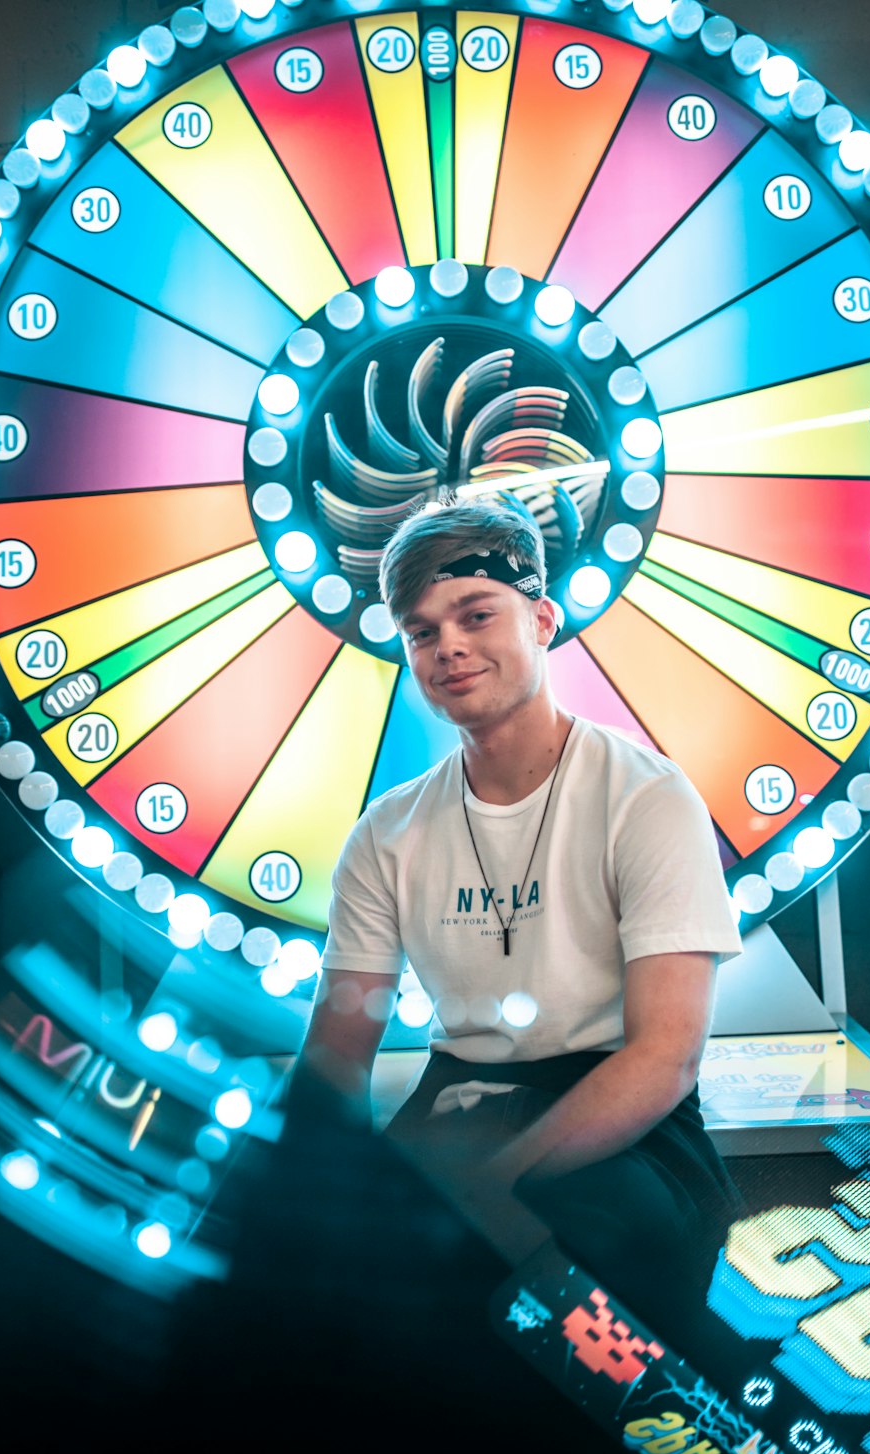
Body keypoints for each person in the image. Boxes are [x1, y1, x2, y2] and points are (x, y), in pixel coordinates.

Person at [299, 498, 743, 1329]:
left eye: (475, 615)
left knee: (582, 1245)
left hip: (623, 1117)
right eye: (422, 631)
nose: (449, 647)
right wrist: (309, 1184)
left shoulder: (645, 796)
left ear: (541, 620)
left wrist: (491, 1184)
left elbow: (665, 1057)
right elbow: (335, 1051)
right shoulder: (387, 832)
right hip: (457, 1100)